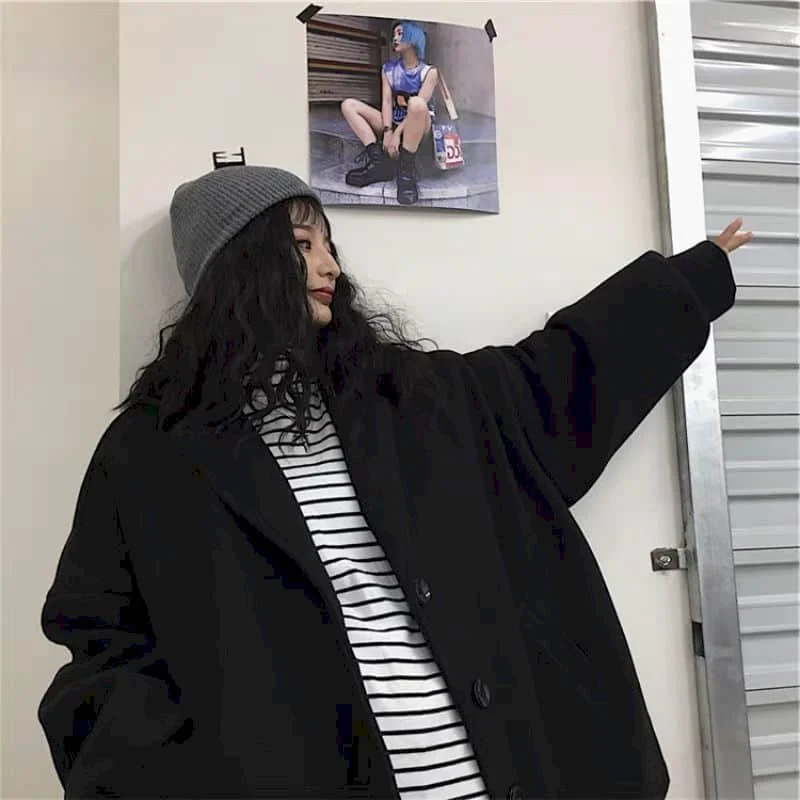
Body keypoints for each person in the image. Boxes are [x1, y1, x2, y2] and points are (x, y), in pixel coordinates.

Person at [37, 165, 752, 800]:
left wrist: (688, 281)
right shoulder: (152, 454)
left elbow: (554, 376)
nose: (330, 266)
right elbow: (102, 647)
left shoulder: (410, 398)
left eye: (329, 245)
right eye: (302, 244)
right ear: (236, 265)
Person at [341, 20, 437, 205]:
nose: (394, 38)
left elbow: (421, 106)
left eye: (400, 34)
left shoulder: (429, 72)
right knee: (349, 105)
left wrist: (396, 133)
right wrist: (387, 130)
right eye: (394, 34)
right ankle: (379, 164)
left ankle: (406, 174)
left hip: (418, 126)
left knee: (417, 104)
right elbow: (386, 101)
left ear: (414, 38)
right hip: (394, 122)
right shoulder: (388, 69)